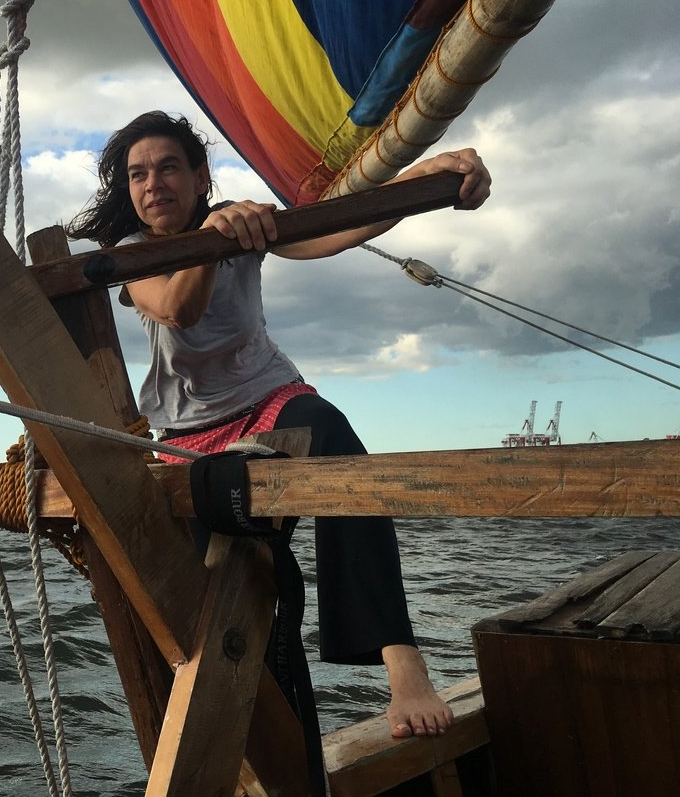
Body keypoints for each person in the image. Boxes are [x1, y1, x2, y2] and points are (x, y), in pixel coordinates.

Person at [67, 111, 491, 746]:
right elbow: (177, 309)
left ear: (199, 175)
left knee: (334, 437)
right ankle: (263, 736)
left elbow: (334, 233)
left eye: (168, 167)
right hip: (185, 437)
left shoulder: (242, 219)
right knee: (232, 590)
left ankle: (403, 665)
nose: (153, 183)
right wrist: (216, 240)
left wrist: (420, 180)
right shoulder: (132, 255)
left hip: (268, 397)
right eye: (137, 175)